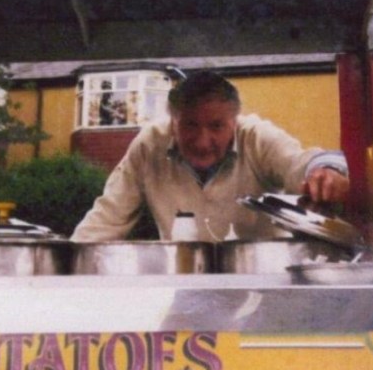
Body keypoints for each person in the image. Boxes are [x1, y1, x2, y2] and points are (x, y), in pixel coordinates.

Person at [71, 71, 350, 242]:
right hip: (183, 293)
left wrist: (325, 170)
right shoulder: (149, 145)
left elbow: (301, 163)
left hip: (261, 292)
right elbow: (106, 220)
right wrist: (61, 275)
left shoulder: (257, 136)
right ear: (173, 121)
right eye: (190, 125)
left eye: (216, 126)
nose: (203, 142)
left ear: (234, 121)